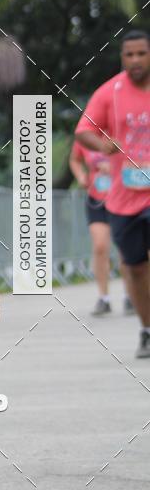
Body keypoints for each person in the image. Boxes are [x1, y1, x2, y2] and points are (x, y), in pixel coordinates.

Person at [75, 30, 150, 357]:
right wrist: (103, 145)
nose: (135, 61)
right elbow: (83, 132)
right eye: (128, 55)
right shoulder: (110, 93)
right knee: (133, 267)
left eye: (141, 54)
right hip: (123, 197)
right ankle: (147, 329)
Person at [69, 140, 133, 316]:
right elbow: (74, 159)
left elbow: (138, 159)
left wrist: (116, 168)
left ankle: (130, 295)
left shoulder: (119, 132)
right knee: (100, 246)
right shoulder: (86, 136)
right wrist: (81, 176)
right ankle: (104, 298)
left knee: (124, 249)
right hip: (96, 200)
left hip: (122, 198)